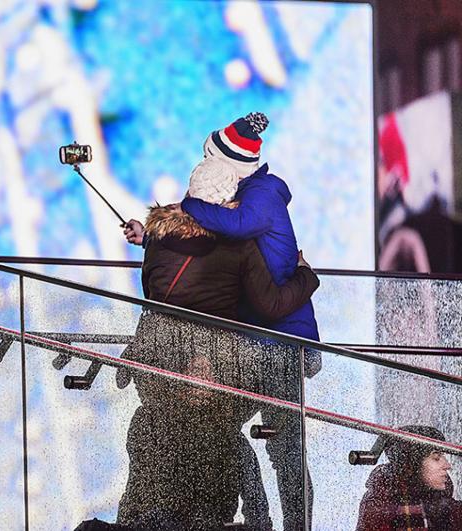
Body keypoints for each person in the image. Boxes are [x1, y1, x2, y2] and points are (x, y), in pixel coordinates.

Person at [124, 112, 319, 530]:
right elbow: (268, 305)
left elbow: (152, 290)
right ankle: (264, 522)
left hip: (175, 360)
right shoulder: (238, 246)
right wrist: (309, 276)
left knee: (178, 439)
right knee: (252, 445)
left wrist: (153, 230)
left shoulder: (162, 239)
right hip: (237, 357)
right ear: (227, 200)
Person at [357, 425, 462, 530]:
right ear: (412, 466)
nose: (447, 465)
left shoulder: (435, 499)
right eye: (436, 458)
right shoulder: (386, 510)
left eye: (443, 456)